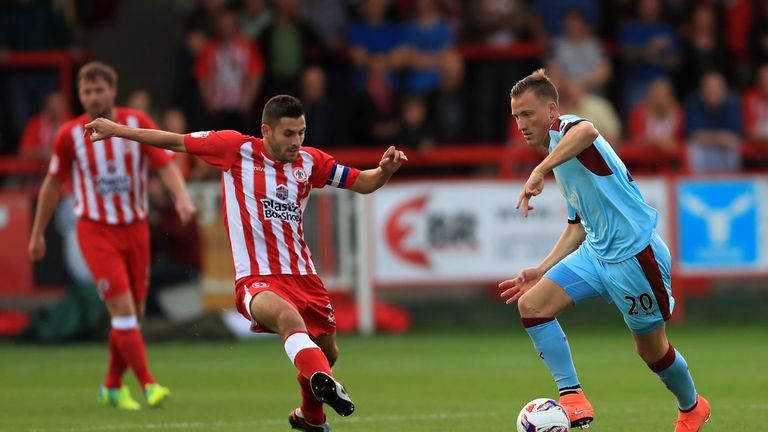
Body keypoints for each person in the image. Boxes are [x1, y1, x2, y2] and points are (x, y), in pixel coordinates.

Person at [83, 94, 408, 432]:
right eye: (288, 134)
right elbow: (175, 141)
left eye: (301, 133)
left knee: (327, 353)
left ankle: (310, 416)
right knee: (288, 319)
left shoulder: (312, 162)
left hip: (304, 276)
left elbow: (364, 182)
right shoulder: (234, 149)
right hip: (256, 278)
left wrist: (384, 170)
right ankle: (323, 384)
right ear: (266, 130)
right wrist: (116, 130)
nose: (297, 142)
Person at [501, 69, 710, 431]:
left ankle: (692, 407)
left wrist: (539, 171)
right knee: (532, 305)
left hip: (635, 257)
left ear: (551, 110)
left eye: (528, 114)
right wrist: (542, 268)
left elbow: (589, 130)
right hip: (597, 253)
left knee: (652, 350)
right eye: (516, 116)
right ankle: (572, 396)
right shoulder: (556, 150)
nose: (521, 124)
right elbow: (577, 226)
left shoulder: (568, 129)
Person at [27, 61, 197, 410]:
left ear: (112, 91)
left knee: (131, 315)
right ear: (79, 94)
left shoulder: (136, 124)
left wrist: (181, 198)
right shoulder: (69, 134)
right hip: (95, 230)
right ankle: (149, 383)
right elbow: (52, 185)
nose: (92, 96)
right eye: (86, 91)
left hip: (136, 229)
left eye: (98, 89)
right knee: (121, 309)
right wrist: (37, 233)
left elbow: (165, 165)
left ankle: (111, 386)